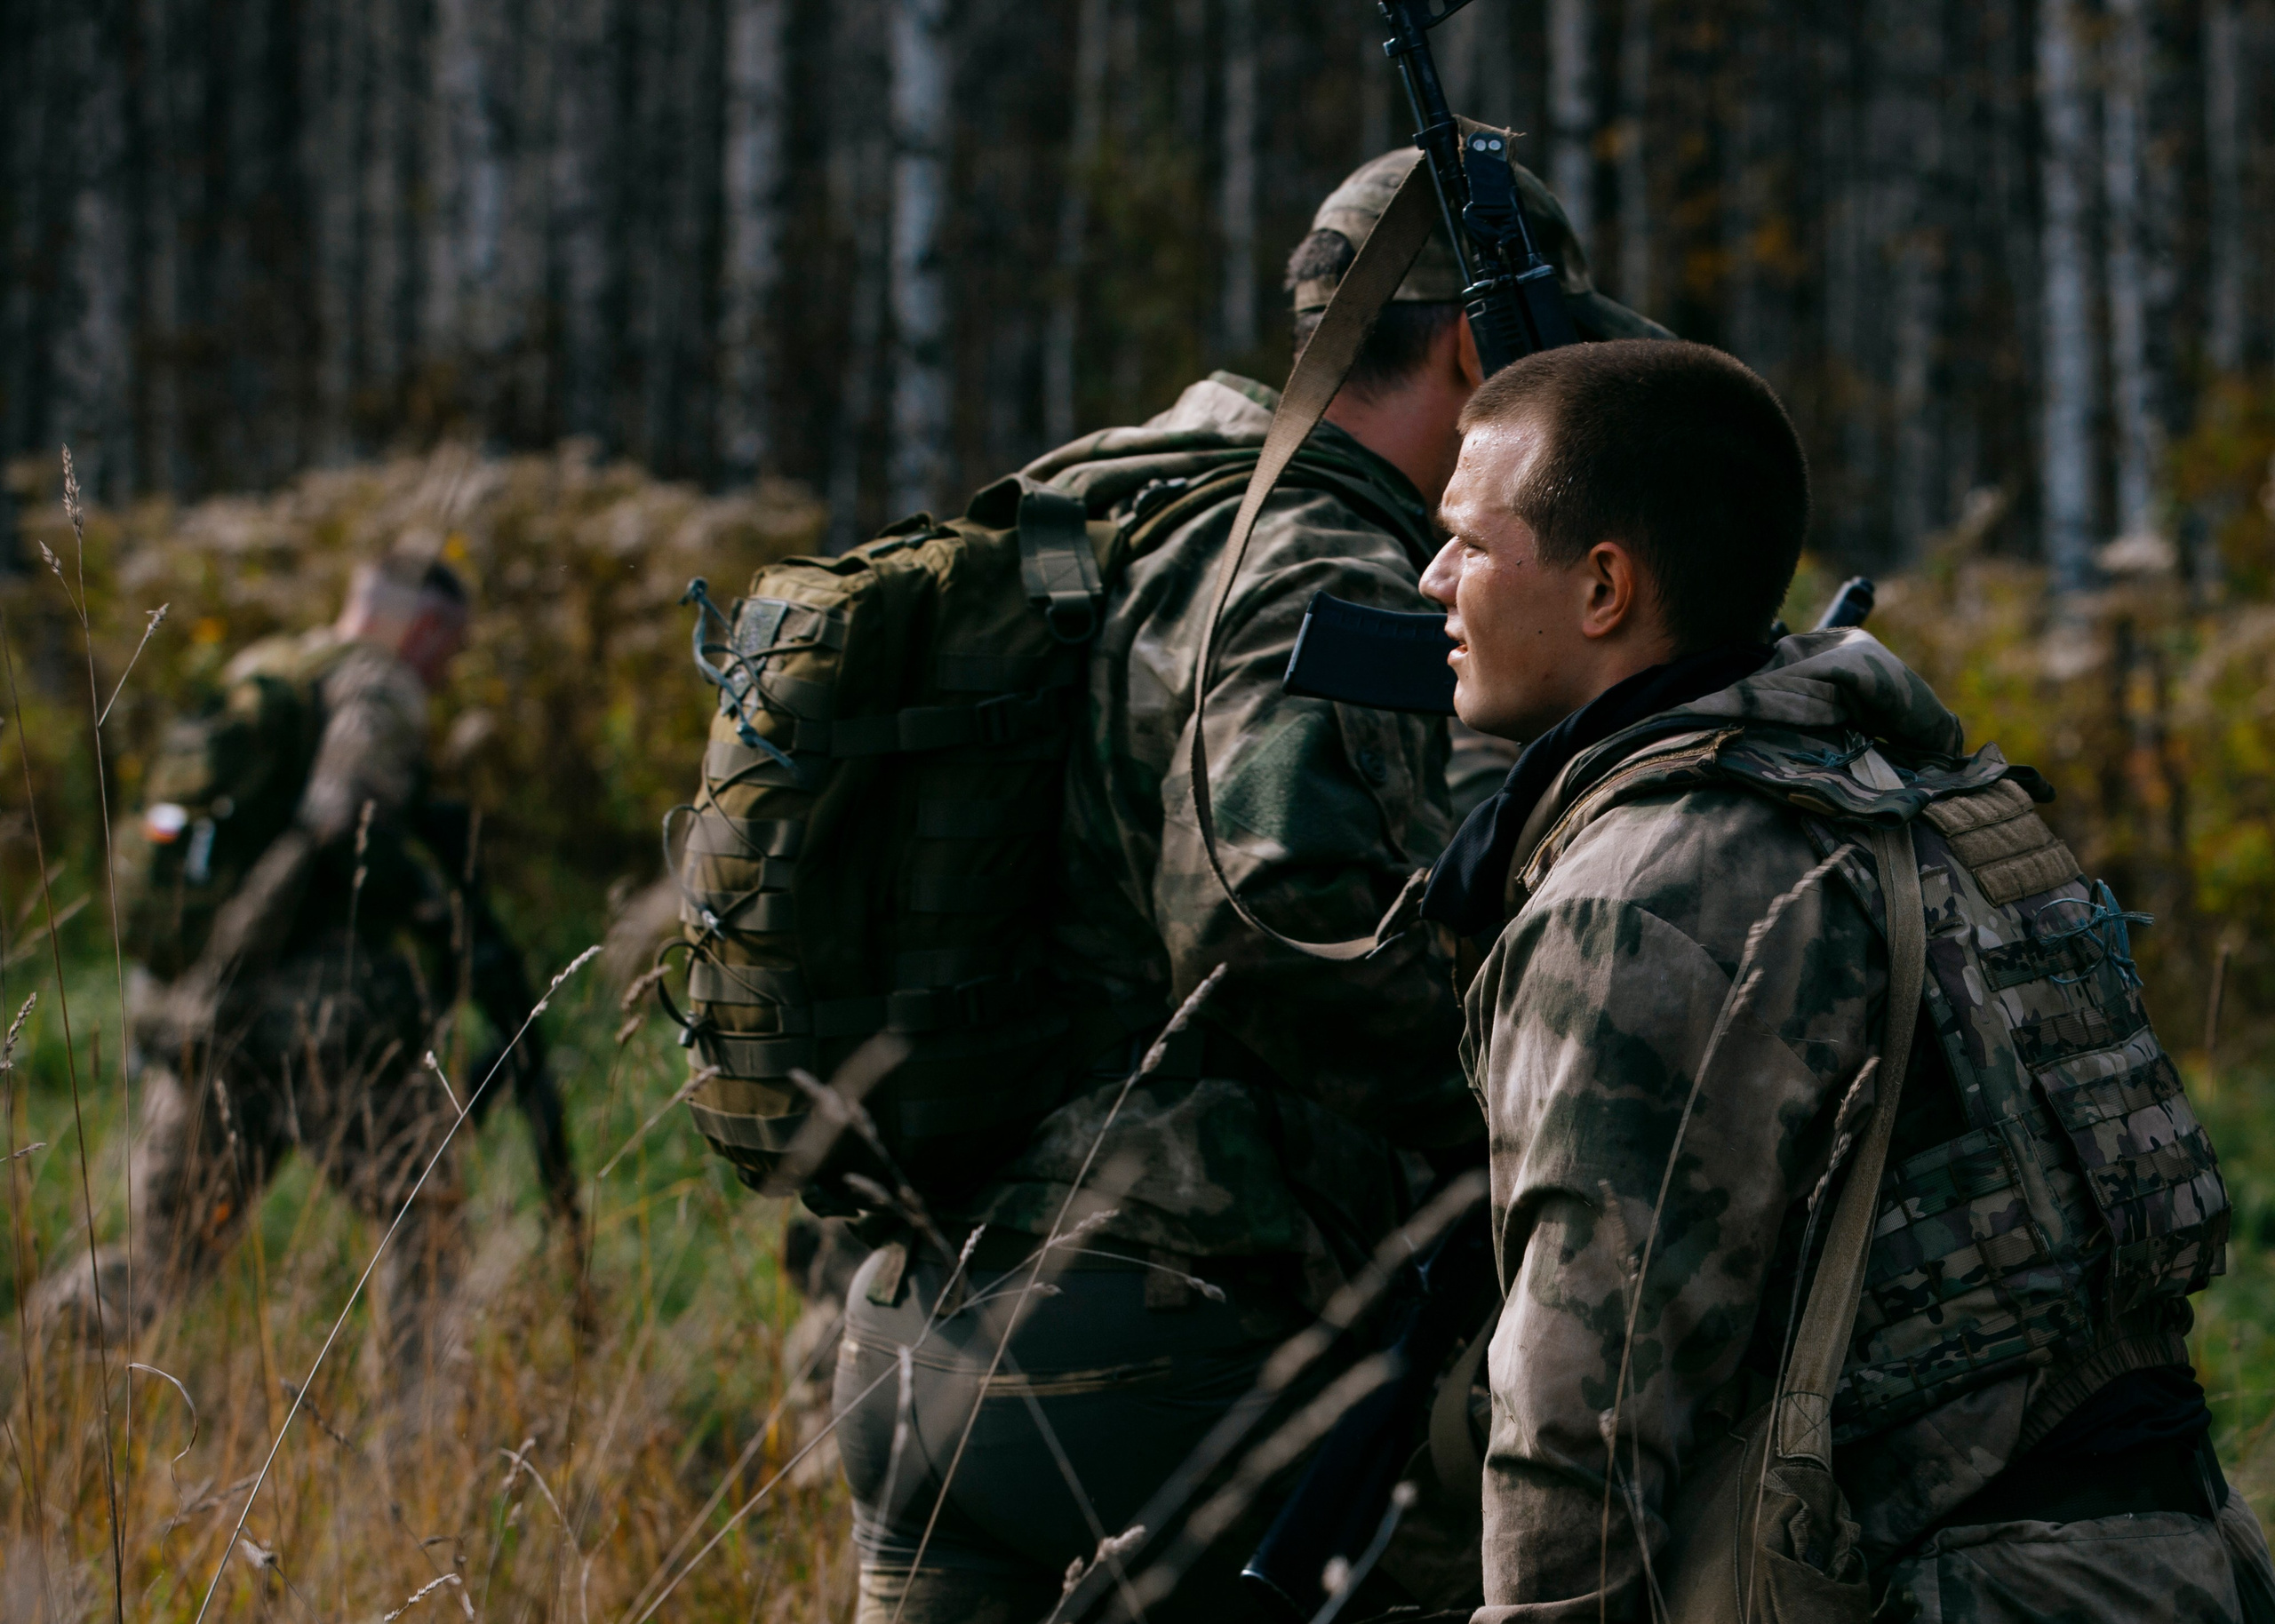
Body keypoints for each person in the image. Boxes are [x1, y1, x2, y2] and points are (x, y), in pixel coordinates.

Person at [827, 146, 1663, 1624]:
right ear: (1476, 350)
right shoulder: (1320, 552)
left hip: (922, 1323)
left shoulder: (1128, 503)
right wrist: (1529, 1083)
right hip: (1157, 1341)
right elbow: (1276, 911)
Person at [1421, 337, 2275, 1620]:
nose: (1431, 579)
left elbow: (1580, 1426)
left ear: (1603, 587)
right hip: (2181, 1567)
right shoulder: (1935, 803)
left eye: (1472, 545)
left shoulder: (1638, 896)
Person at [35, 554, 571, 1377]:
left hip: (202, 1011)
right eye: (449, 649)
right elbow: (357, 826)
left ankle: (28, 1389)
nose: (445, 670)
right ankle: (411, 1457)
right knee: (426, 1221)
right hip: (323, 1026)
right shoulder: (378, 687)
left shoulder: (261, 672)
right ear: (423, 627)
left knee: (162, 1255)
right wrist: (434, 915)